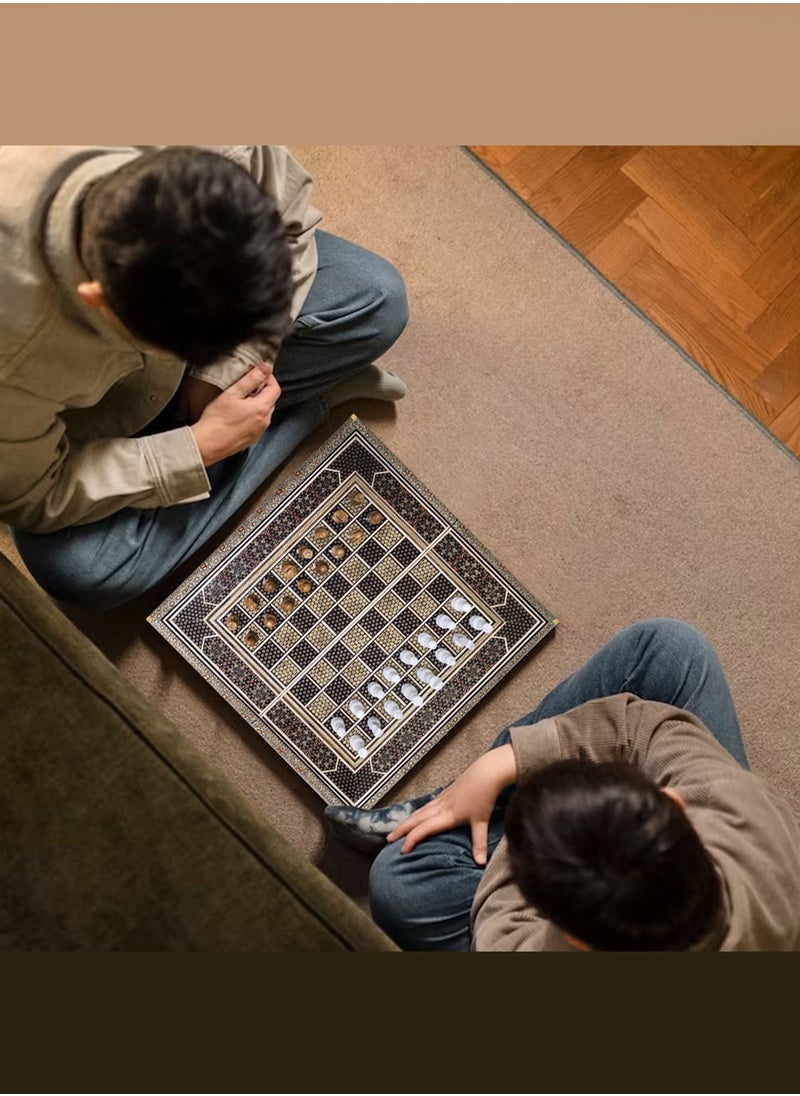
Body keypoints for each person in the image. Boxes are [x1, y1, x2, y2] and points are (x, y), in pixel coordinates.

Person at [0, 145, 408, 610]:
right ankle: (306, 404)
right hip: (74, 433)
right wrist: (197, 448)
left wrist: (227, 366)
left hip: (181, 308)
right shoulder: (13, 357)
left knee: (379, 298)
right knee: (86, 573)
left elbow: (290, 218)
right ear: (97, 297)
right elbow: (36, 495)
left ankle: (246, 418)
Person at [325, 618, 800, 951]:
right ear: (672, 805)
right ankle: (461, 802)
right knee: (670, 648)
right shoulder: (739, 807)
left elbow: (500, 915)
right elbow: (640, 728)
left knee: (399, 883)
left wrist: (523, 785)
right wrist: (505, 763)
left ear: (569, 934)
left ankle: (457, 812)